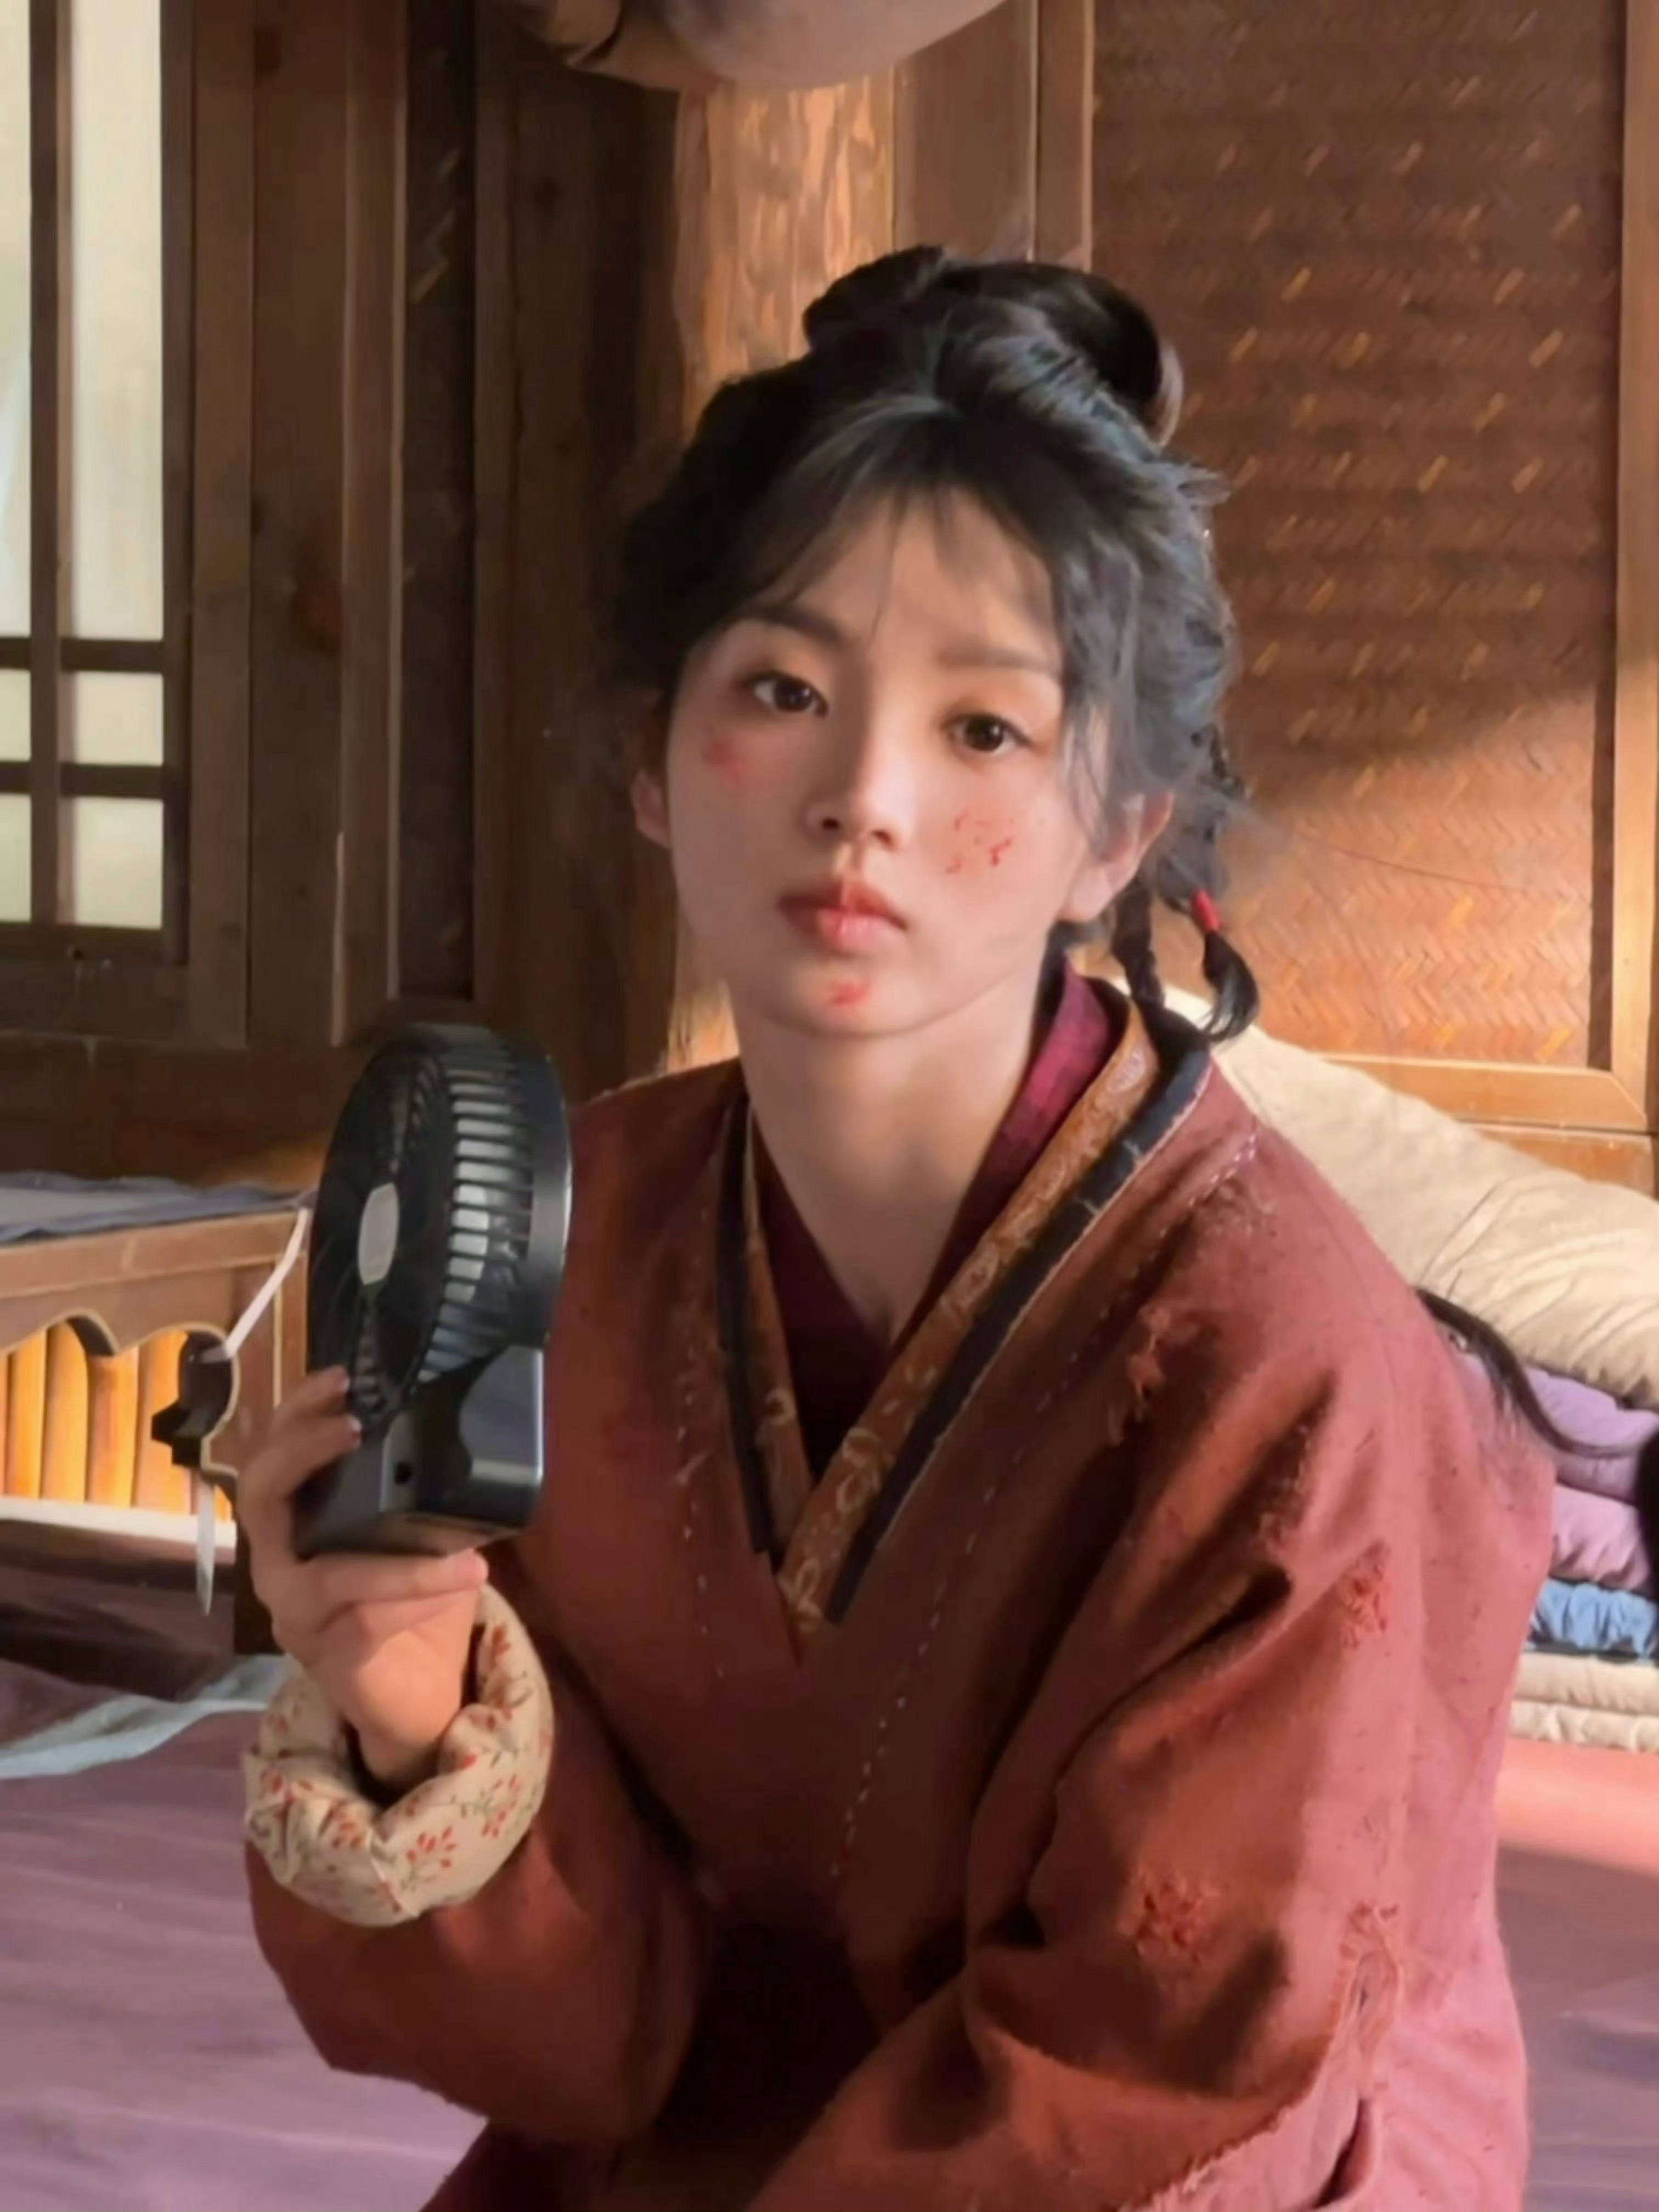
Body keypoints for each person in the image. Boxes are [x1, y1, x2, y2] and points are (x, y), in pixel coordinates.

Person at [239, 247, 1551, 2211]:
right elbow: (594, 2050)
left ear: (1120, 830)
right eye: (784, 691)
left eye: (985, 732)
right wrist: (418, 1705)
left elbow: (1179, 2073)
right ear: (654, 757)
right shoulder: (583, 1227)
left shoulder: (1277, 1359)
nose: (863, 797)